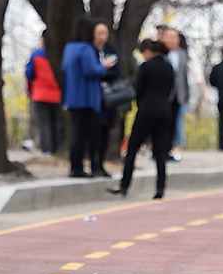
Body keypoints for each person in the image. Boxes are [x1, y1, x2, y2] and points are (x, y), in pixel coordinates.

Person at [108, 39, 174, 198]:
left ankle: (124, 185)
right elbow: (171, 89)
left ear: (148, 51)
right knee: (159, 152)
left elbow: (138, 90)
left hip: (147, 111)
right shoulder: (169, 67)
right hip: (164, 111)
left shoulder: (146, 67)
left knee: (132, 150)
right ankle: (160, 188)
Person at [61, 15, 117, 177]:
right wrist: (104, 66)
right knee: (83, 135)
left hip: (72, 97)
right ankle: (77, 168)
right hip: (86, 98)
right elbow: (91, 70)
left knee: (76, 133)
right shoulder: (85, 49)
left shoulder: (69, 47)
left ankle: (75, 166)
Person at [90, 20, 120, 177]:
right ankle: (92, 164)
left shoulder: (111, 51)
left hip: (108, 98)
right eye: (99, 33)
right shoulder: (89, 51)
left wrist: (103, 72)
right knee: (92, 132)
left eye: (105, 33)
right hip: (93, 96)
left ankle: (101, 163)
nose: (102, 37)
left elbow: (116, 72)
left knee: (104, 133)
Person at [25, 32, 62, 156]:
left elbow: (29, 73)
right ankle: (57, 148)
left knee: (44, 123)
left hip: (40, 94)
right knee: (55, 123)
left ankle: (47, 150)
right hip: (56, 94)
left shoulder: (36, 55)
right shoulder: (59, 55)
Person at [163, 27, 189, 161]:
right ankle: (159, 150)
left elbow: (184, 76)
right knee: (163, 123)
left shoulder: (183, 55)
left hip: (178, 94)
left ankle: (169, 150)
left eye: (174, 37)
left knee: (174, 123)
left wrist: (186, 94)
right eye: (169, 37)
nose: (172, 40)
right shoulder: (162, 54)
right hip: (164, 95)